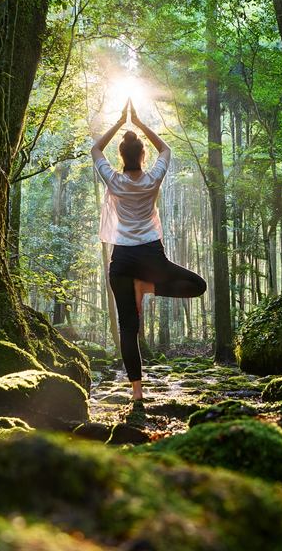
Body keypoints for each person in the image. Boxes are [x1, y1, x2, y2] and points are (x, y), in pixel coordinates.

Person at [91, 98, 207, 401]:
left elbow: (95, 150)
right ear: (143, 154)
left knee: (128, 328)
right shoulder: (153, 178)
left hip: (122, 260)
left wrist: (119, 122)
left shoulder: (114, 180)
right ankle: (148, 286)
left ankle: (137, 393)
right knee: (197, 286)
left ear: (121, 155)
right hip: (151, 257)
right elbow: (166, 150)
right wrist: (139, 123)